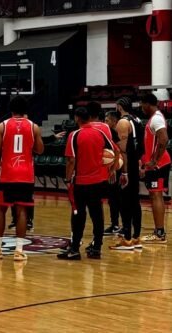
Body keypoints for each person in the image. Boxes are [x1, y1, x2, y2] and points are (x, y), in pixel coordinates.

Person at [0, 96, 44, 261]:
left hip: (7, 175)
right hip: (25, 175)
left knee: (1, 209)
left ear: (11, 109)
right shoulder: (34, 126)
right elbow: (40, 150)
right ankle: (19, 251)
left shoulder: (2, 126)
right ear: (26, 110)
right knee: (22, 211)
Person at [58, 107, 119, 260]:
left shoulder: (74, 135)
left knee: (78, 215)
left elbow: (71, 160)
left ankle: (74, 249)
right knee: (97, 214)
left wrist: (67, 179)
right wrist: (112, 169)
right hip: (99, 181)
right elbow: (116, 151)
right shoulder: (101, 133)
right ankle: (97, 247)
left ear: (77, 118)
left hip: (81, 181)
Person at [110, 97, 144, 250]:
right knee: (135, 201)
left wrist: (124, 172)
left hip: (127, 167)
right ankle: (136, 237)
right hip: (135, 163)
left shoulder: (122, 123)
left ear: (118, 107)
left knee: (125, 202)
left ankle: (127, 238)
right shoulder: (137, 120)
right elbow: (139, 145)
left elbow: (122, 150)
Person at [139, 93, 171, 244]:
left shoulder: (157, 118)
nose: (141, 107)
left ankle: (160, 233)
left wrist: (154, 161)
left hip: (159, 164)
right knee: (154, 195)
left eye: (141, 104)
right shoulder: (154, 118)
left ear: (147, 104)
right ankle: (158, 231)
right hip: (156, 164)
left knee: (156, 195)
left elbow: (164, 139)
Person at [87, 101, 120, 235]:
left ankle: (104, 229)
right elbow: (116, 149)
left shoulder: (84, 128)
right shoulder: (107, 129)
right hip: (106, 170)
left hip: (92, 172)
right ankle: (115, 225)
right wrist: (113, 167)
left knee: (95, 203)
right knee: (113, 199)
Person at [104, 110, 122, 236]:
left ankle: (119, 225)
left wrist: (114, 168)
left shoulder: (116, 134)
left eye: (107, 120)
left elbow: (119, 152)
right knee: (112, 198)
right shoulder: (108, 133)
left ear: (114, 121)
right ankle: (115, 224)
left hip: (118, 168)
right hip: (114, 168)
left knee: (117, 198)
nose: (105, 123)